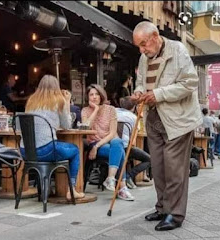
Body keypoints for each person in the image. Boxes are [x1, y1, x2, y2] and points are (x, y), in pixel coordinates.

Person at [131, 21, 203, 231]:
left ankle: (175, 214)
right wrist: (138, 91)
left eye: (144, 44)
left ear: (155, 36)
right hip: (154, 118)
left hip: (178, 119)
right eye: (139, 46)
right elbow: (140, 81)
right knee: (159, 168)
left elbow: (190, 83)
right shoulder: (144, 57)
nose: (142, 50)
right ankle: (163, 207)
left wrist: (158, 94)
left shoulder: (178, 50)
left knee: (174, 169)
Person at [19, 75, 84, 200]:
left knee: (52, 148)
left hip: (26, 152)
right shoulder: (58, 101)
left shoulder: (31, 101)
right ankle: (72, 190)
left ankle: (46, 188)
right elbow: (67, 125)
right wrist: (66, 101)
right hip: (45, 151)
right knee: (75, 150)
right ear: (56, 87)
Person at [81, 84, 135, 201]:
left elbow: (112, 133)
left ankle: (110, 178)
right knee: (120, 151)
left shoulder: (110, 110)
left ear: (101, 96)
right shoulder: (85, 111)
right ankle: (122, 187)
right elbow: (86, 128)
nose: (94, 97)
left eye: (96, 94)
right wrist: (95, 109)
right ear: (88, 97)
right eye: (91, 95)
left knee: (117, 143)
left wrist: (97, 146)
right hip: (94, 144)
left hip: (105, 144)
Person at [116, 96, 151, 189]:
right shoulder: (134, 118)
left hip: (112, 145)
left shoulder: (114, 113)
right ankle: (128, 176)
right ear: (133, 107)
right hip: (126, 147)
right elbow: (134, 140)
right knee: (149, 159)